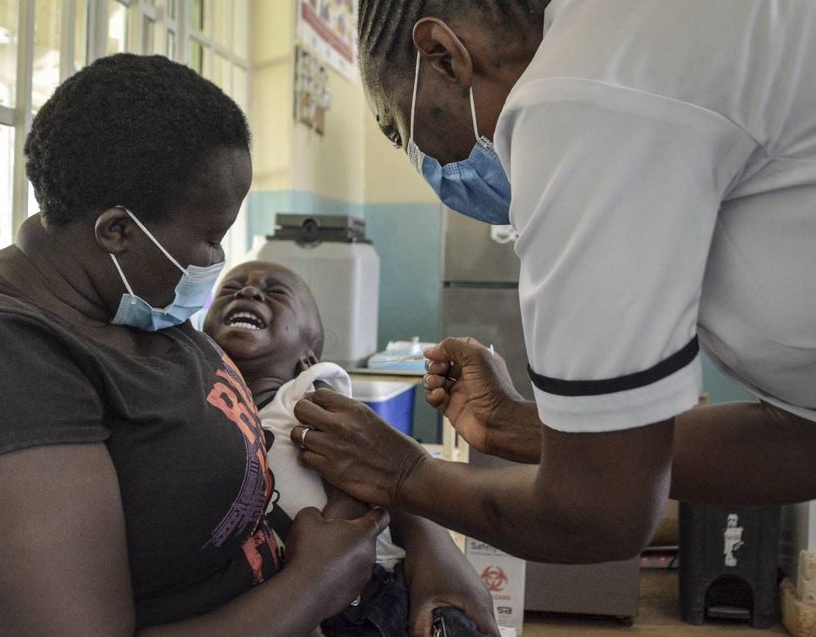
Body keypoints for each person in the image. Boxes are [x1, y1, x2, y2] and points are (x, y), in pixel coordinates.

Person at [0, 54, 390, 637]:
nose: (216, 263)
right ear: (117, 231)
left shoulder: (130, 302)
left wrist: (424, 541)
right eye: (210, 239)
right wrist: (313, 586)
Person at [291, 0, 816, 565]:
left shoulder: (578, 96)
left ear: (443, 55)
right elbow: (801, 437)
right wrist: (522, 426)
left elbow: (593, 517)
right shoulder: (643, 38)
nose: (427, 164)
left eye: (402, 132)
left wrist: (406, 474)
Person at [203, 260, 498, 637]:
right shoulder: (204, 410)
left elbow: (372, 473)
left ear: (309, 356)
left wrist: (342, 526)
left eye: (274, 293)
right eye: (230, 289)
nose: (247, 292)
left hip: (368, 591)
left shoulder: (305, 395)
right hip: (282, 599)